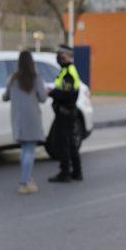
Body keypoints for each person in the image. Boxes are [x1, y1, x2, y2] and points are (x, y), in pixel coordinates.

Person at [3, 51, 48, 194]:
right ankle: (24, 182)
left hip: (18, 118)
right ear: (31, 62)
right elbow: (43, 98)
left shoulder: (12, 79)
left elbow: (5, 97)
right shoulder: (36, 78)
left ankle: (27, 178)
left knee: (25, 149)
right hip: (32, 117)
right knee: (29, 149)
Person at [48, 45, 83, 183]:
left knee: (63, 143)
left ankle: (65, 173)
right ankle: (76, 171)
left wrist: (51, 93)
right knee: (71, 143)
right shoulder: (67, 70)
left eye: (60, 54)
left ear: (66, 56)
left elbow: (66, 94)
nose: (58, 57)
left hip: (65, 113)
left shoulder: (68, 72)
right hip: (68, 112)